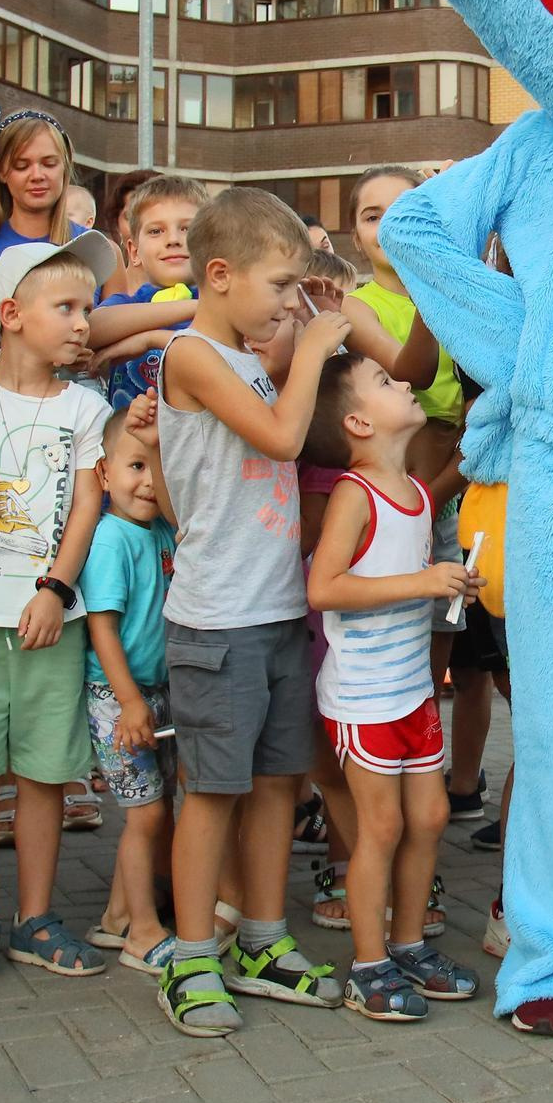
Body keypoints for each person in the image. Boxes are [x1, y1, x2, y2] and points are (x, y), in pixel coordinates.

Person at [152, 190, 352, 1037]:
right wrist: (306, 353)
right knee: (214, 792)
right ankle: (192, 954)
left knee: (277, 784)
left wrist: (298, 339)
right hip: (217, 619)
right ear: (221, 274)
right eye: (278, 284)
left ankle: (263, 942)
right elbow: (280, 437)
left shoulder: (242, 357)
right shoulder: (192, 354)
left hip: (273, 610)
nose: (285, 301)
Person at [0, 230, 119, 989]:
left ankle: (34, 916)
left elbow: (88, 509)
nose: (82, 322)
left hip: (50, 620)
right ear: (10, 312)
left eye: (89, 309)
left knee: (42, 776)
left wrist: (55, 589)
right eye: (66, 306)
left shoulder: (86, 407)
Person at [304, 350, 484, 1021]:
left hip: (411, 690)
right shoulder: (356, 493)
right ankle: (369, 962)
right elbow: (324, 587)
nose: (404, 381)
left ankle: (410, 945)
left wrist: (452, 583)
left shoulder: (413, 490)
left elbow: (408, 577)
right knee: (378, 827)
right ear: (357, 420)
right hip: (364, 693)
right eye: (384, 381)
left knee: (431, 817)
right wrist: (422, 582)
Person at [338, 168, 489, 819]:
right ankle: (380, 781)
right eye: (372, 216)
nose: (388, 228)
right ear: (355, 231)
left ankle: (428, 775)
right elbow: (412, 370)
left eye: (404, 213)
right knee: (390, 632)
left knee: (439, 648)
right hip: (399, 503)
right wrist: (436, 289)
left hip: (456, 492)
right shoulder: (357, 303)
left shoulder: (466, 291)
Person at [81, 408, 175, 975]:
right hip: (119, 699)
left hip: (159, 692)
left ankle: (117, 917)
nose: (148, 480)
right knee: (144, 817)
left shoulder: (162, 529)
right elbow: (102, 629)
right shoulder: (111, 538)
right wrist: (131, 702)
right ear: (104, 474)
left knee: (154, 810)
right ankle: (142, 931)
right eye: (136, 465)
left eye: (159, 467)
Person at [90, 175, 206, 411]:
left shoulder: (225, 307)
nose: (173, 239)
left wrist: (147, 339)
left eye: (187, 228)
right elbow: (91, 329)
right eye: (156, 231)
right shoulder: (128, 304)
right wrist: (194, 307)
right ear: (134, 251)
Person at [0, 109, 89, 276]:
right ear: (0, 172)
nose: (37, 175)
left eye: (49, 164)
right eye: (22, 166)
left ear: (65, 166)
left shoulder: (98, 251)